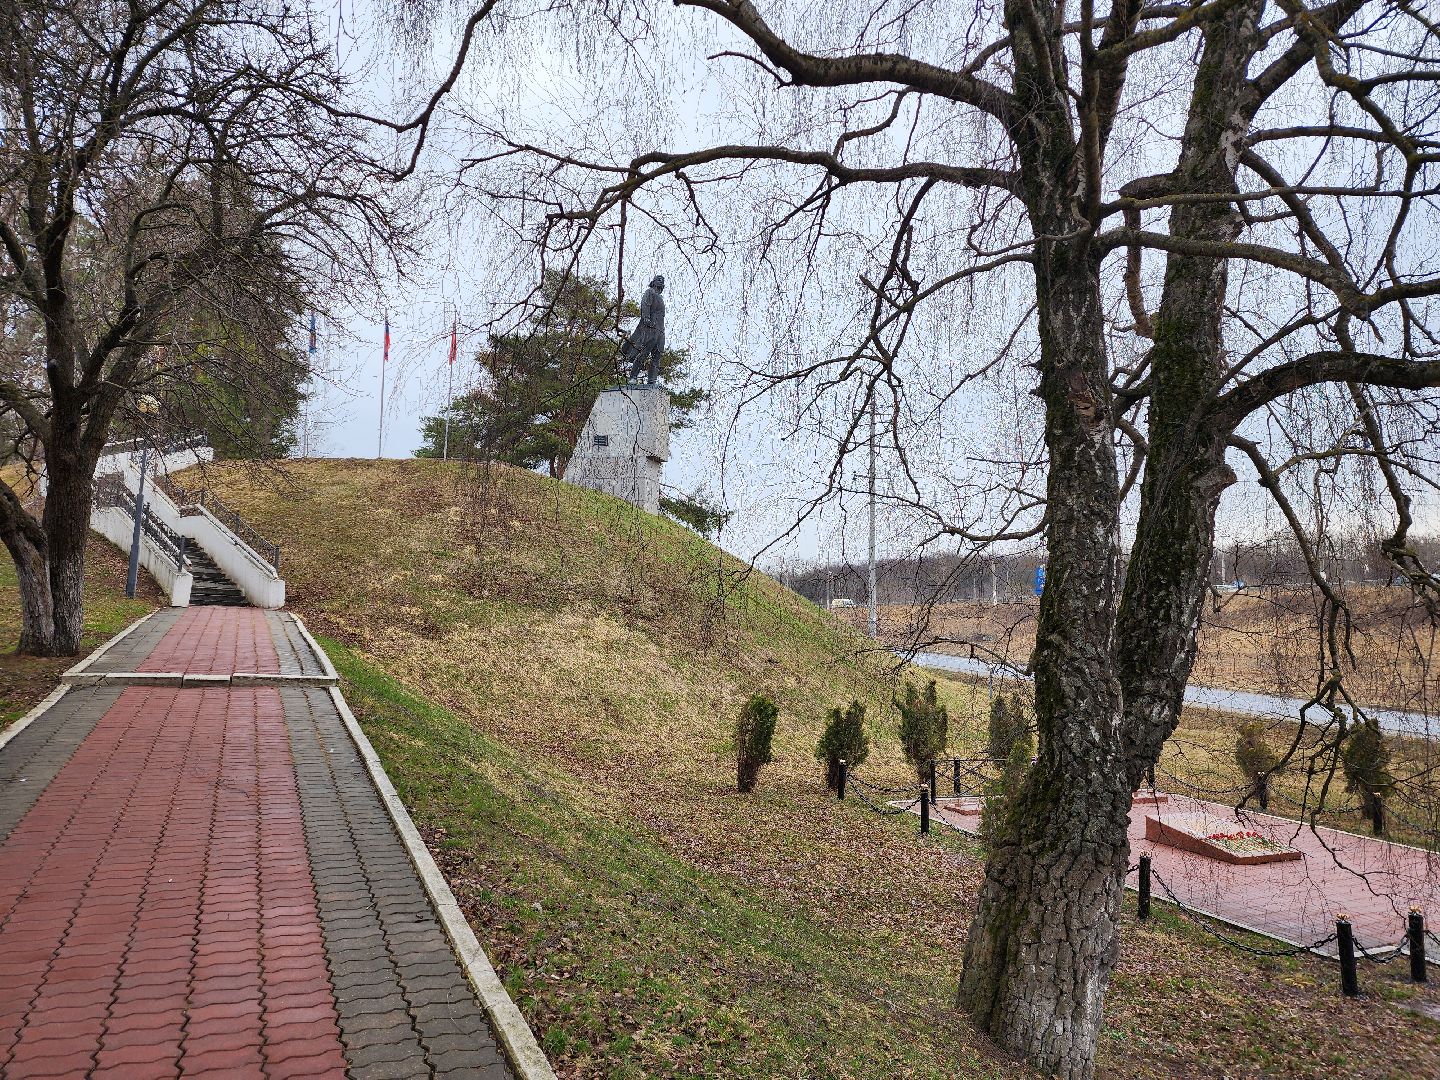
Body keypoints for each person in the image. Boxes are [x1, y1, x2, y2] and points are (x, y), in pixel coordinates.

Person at [620, 275, 665, 385]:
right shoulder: (650, 292)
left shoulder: (660, 298)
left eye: (662, 281)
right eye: (659, 280)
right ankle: (633, 377)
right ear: (654, 282)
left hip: (660, 330)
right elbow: (645, 305)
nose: (661, 282)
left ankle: (652, 381)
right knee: (644, 353)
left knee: (657, 356)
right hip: (651, 328)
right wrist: (646, 319)